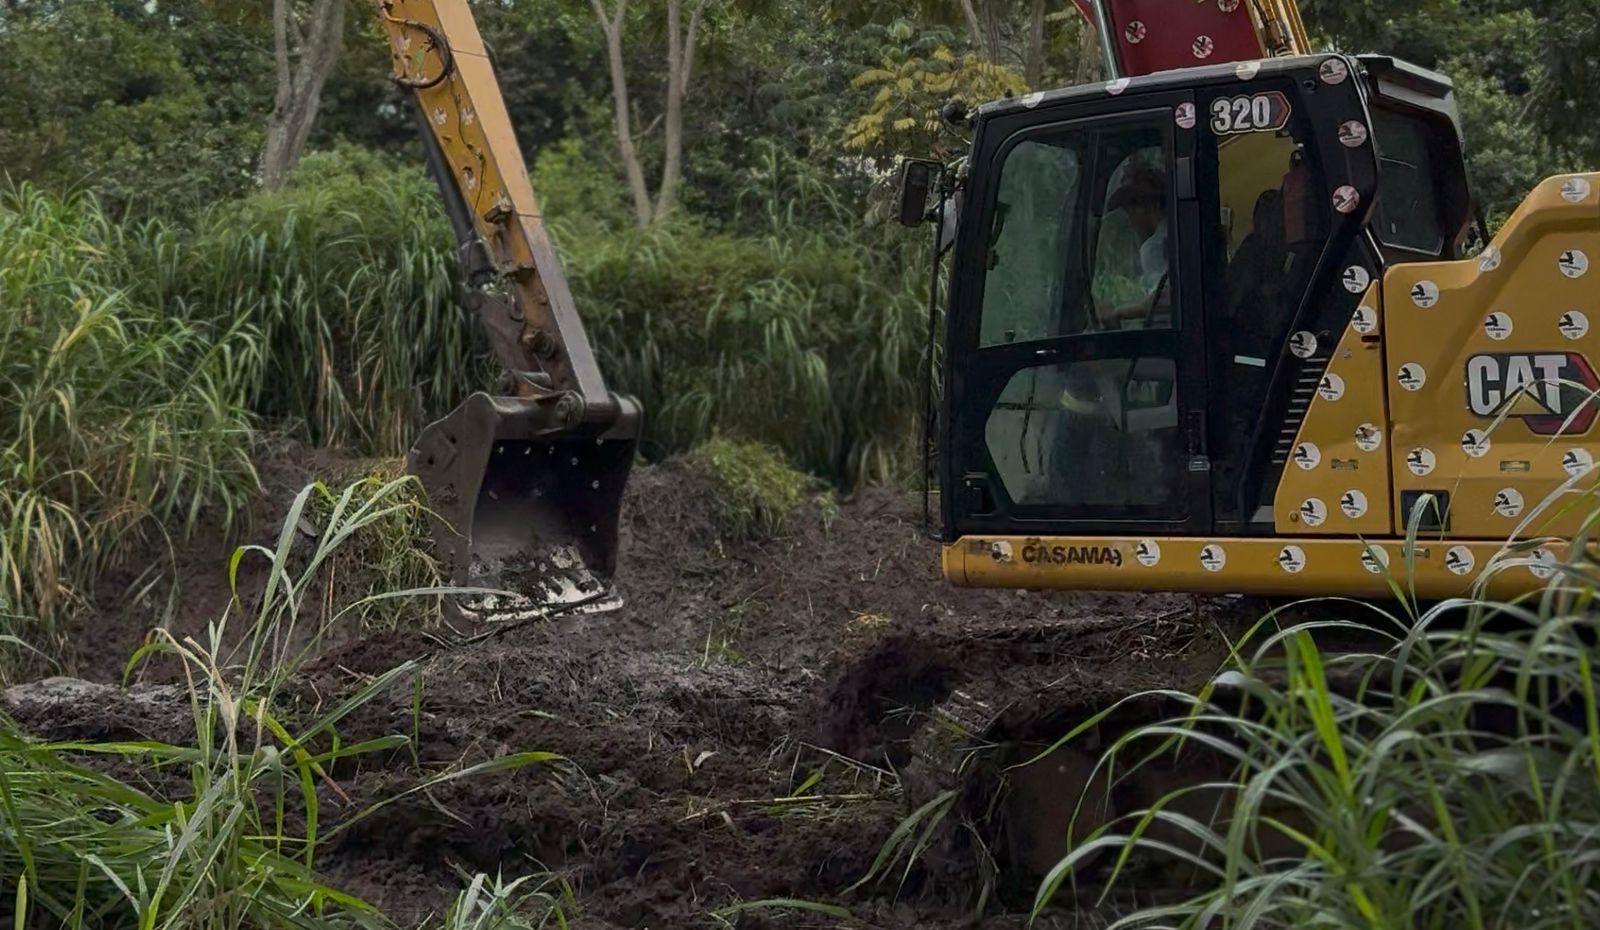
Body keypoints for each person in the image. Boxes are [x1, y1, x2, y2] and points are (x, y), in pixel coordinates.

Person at [1095, 164, 1170, 327]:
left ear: (1150, 206)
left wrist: (1118, 312)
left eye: (1131, 210)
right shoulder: (1179, 235)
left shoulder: (1155, 246)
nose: (1131, 221)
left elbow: (1162, 301)